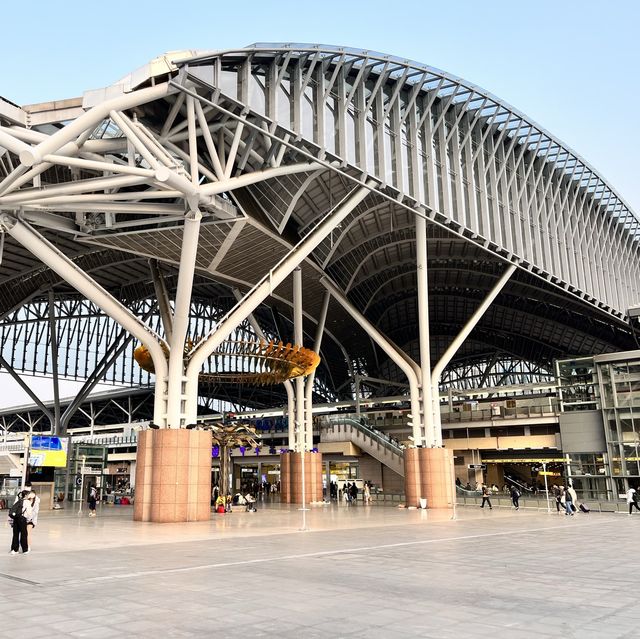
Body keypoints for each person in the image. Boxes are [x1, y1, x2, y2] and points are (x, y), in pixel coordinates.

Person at [9, 490, 33, 555]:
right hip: (22, 519)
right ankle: (25, 550)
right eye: (28, 495)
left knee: (15, 534)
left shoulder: (18, 500)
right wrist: (28, 519)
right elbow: (29, 513)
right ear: (25, 495)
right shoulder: (27, 502)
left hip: (15, 519)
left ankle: (14, 550)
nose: (29, 496)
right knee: (24, 534)